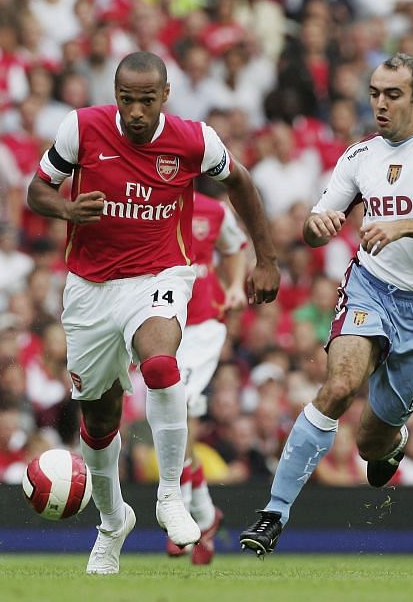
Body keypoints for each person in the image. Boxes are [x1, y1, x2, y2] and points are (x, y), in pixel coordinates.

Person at [27, 51, 280, 575]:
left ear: (165, 96)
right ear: (114, 95)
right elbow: (37, 191)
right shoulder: (81, 129)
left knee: (162, 367)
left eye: (146, 100)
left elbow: (242, 184)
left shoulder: (194, 140)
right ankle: (112, 522)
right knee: (99, 421)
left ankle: (170, 496)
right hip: (90, 287)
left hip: (160, 275)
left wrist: (267, 258)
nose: (136, 112)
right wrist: (67, 210)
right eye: (126, 100)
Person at [239, 53, 413, 557]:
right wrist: (319, 227)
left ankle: (391, 444)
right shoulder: (359, 156)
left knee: (370, 442)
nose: (379, 103)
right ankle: (273, 513)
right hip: (371, 288)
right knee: (337, 387)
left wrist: (400, 225)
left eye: (392, 94)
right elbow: (315, 226)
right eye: (375, 92)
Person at [168, 189, 248, 565]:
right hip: (162, 322)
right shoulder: (149, 202)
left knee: (175, 404)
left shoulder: (214, 211)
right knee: (172, 423)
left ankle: (181, 515)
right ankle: (204, 515)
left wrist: (234, 286)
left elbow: (235, 248)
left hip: (202, 325)